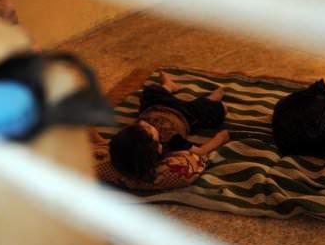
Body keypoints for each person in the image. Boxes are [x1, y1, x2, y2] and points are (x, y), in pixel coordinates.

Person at [93, 72, 230, 190]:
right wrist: (219, 139)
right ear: (159, 147)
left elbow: (112, 145)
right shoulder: (172, 140)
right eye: (148, 128)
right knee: (216, 109)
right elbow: (199, 151)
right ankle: (211, 99)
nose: (142, 123)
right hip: (184, 115)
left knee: (150, 91)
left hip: (155, 106)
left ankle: (169, 86)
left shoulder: (127, 141)